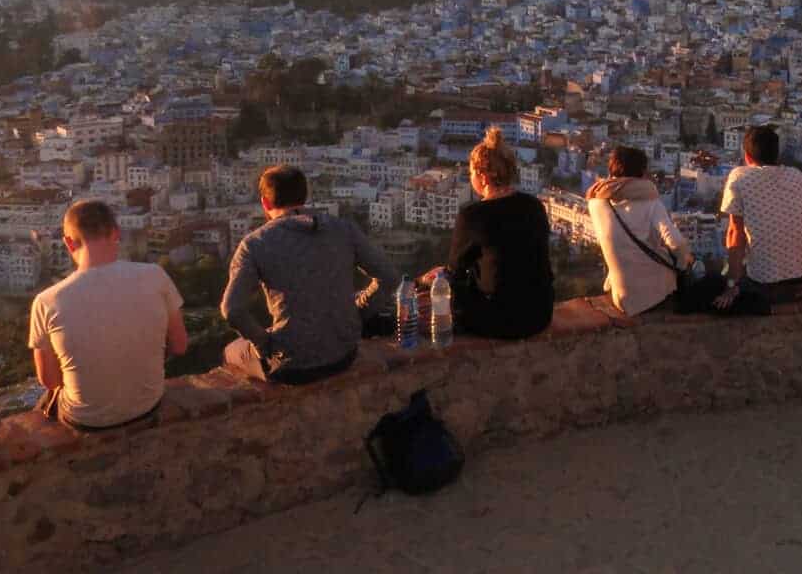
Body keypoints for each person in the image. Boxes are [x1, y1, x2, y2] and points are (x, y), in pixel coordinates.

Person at [220, 165, 399, 384]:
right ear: (304, 197)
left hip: (291, 364)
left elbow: (231, 309)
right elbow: (389, 277)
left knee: (230, 352)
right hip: (344, 354)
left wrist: (265, 344)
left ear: (265, 203)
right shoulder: (342, 229)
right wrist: (358, 312)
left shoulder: (255, 244)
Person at [28, 200, 188, 430]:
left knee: (44, 404)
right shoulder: (155, 275)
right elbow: (180, 345)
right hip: (148, 404)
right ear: (116, 233)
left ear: (69, 243)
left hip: (87, 419)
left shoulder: (47, 301)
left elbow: (50, 380)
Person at [431, 127, 554, 338]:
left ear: (483, 176)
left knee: (445, 284)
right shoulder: (534, 206)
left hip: (498, 320)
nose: (470, 177)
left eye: (471, 172)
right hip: (540, 314)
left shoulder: (472, 215)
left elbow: (455, 270)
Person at [716, 125, 802, 310]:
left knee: (712, 281)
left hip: (764, 289)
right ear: (777, 152)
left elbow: (735, 235)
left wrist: (731, 286)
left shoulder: (739, 177)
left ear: (747, 156)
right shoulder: (799, 178)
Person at [587, 146, 693, 315]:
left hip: (618, 293)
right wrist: (682, 264)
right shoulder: (651, 202)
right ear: (643, 172)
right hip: (652, 294)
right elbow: (676, 243)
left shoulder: (595, 203)